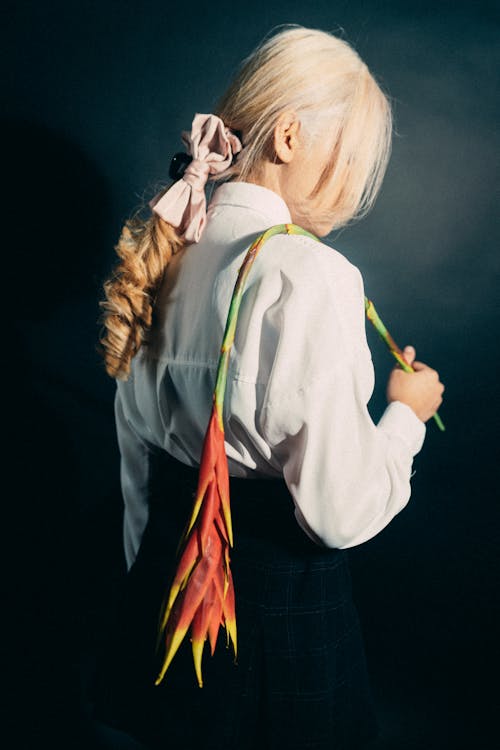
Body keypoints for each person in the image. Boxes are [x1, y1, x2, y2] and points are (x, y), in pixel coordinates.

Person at [92, 24, 445, 750]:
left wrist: (150, 580)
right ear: (287, 136)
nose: (353, 185)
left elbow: (137, 467)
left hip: (159, 599)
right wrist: (405, 416)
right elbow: (338, 513)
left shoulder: (167, 241)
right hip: (277, 632)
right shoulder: (311, 276)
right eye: (349, 156)